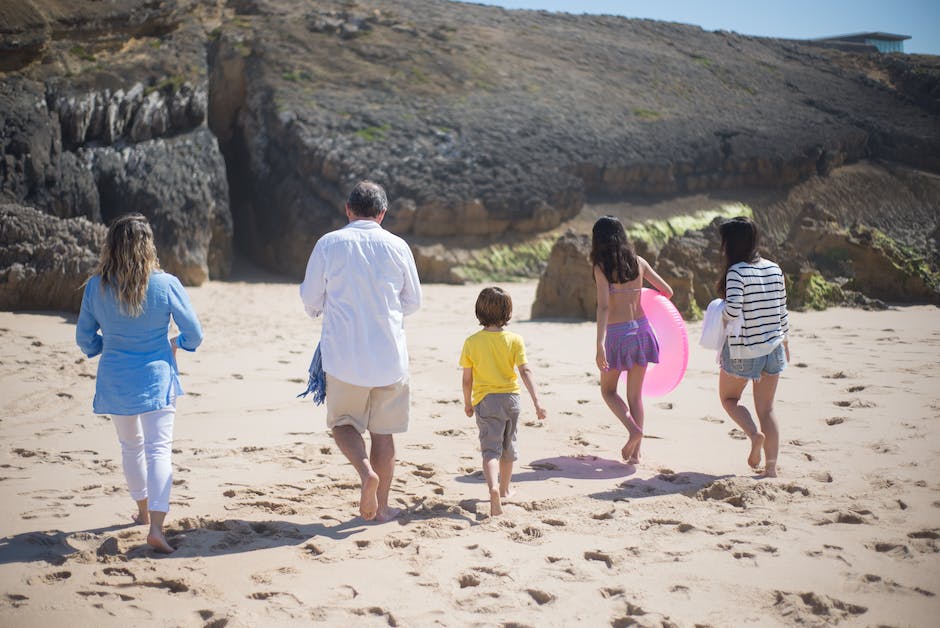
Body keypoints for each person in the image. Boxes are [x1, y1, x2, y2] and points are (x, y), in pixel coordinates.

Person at [76, 213, 203, 554]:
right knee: (158, 449)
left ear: (111, 246)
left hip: (116, 378)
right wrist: (177, 345)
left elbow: (85, 339)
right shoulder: (165, 284)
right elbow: (195, 333)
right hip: (156, 377)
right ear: (149, 246)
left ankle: (143, 512)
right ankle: (157, 528)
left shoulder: (95, 286)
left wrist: (108, 346)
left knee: (130, 447)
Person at [300, 180, 422, 522]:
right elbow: (413, 302)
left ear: (348, 210)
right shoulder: (398, 245)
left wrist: (325, 308)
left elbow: (311, 300)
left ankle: (365, 472)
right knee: (384, 435)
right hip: (390, 358)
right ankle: (381, 508)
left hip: (344, 357)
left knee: (342, 424)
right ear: (382, 213)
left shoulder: (329, 243)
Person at [591, 216, 673, 464]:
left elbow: (604, 307)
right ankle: (636, 454)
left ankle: (633, 430)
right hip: (643, 331)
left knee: (608, 391)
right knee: (635, 396)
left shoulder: (601, 267)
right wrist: (642, 299)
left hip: (617, 335)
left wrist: (600, 344)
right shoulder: (639, 263)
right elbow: (667, 292)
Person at [460, 287, 546, 516]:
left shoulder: (472, 342)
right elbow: (525, 370)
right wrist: (537, 401)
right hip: (512, 399)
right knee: (509, 447)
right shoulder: (514, 339)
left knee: (490, 450)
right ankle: (506, 489)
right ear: (508, 312)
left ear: (479, 311)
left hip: (486, 401)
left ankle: (493, 489)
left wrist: (468, 402)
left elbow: (467, 379)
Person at [715, 216, 789, 478]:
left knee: (729, 399)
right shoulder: (774, 268)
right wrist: (786, 343)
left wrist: (717, 315)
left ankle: (753, 434)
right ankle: (771, 468)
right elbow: (782, 312)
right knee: (767, 409)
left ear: (731, 244)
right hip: (773, 348)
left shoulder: (736, 272)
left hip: (745, 350)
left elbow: (733, 310)